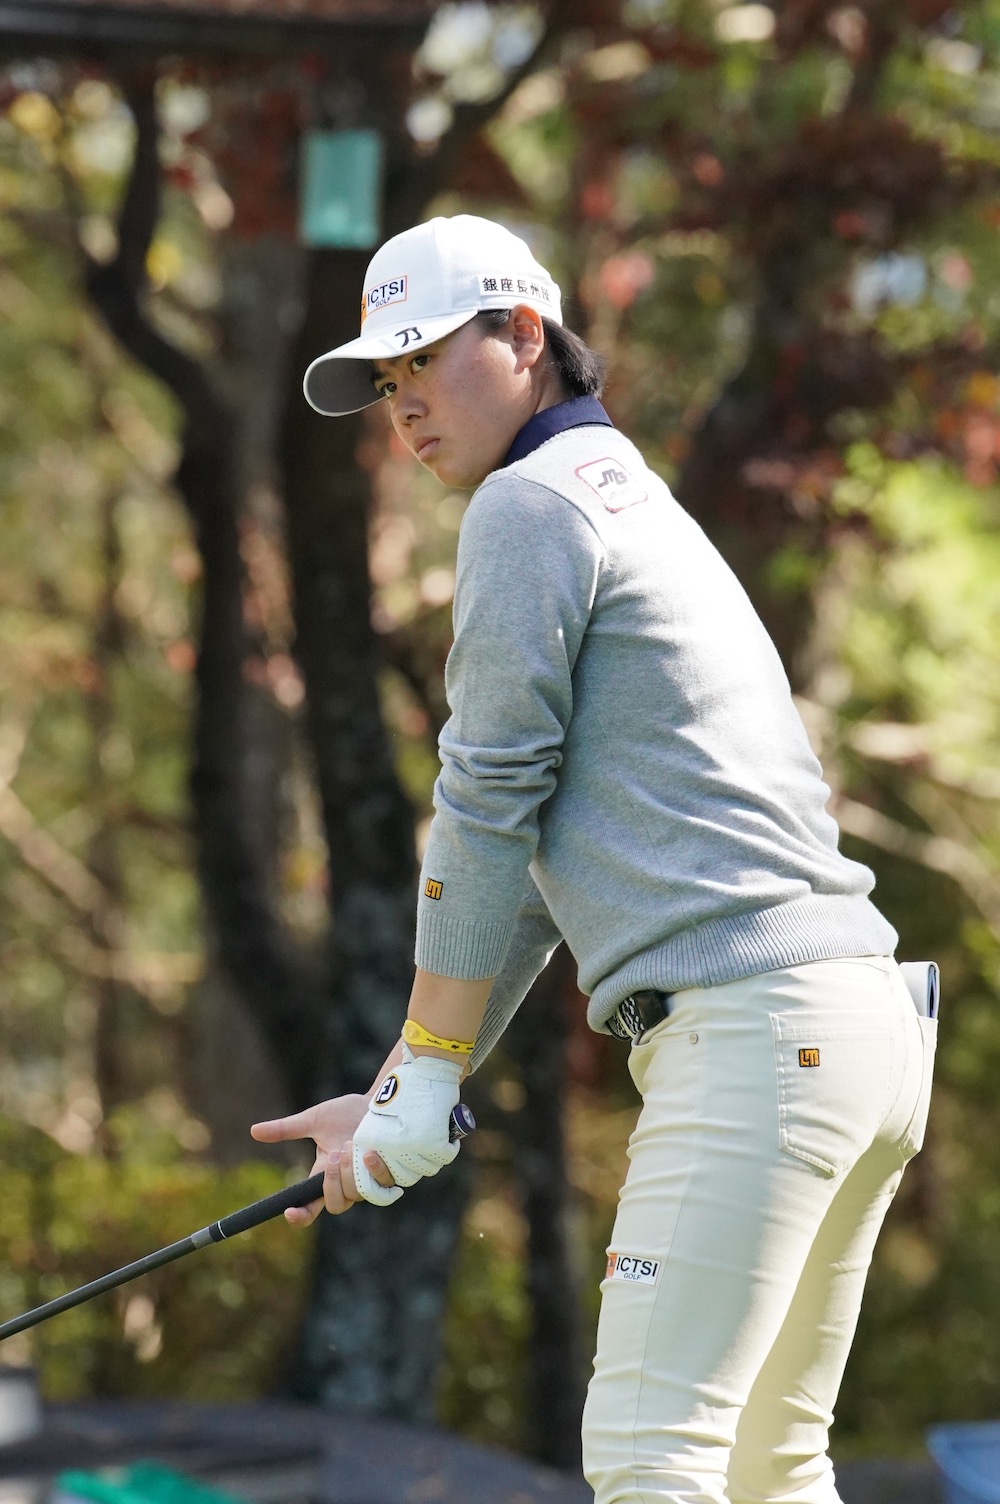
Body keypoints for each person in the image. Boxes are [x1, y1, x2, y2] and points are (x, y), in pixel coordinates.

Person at [251, 215, 937, 1504]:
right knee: (767, 1472)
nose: (404, 406)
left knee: (648, 1459)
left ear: (525, 334)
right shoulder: (618, 492)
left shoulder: (528, 504)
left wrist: (431, 1065)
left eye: (424, 360)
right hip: (856, 1032)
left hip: (759, 1034)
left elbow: (485, 800)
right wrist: (410, 1081)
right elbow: (530, 869)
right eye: (387, 382)